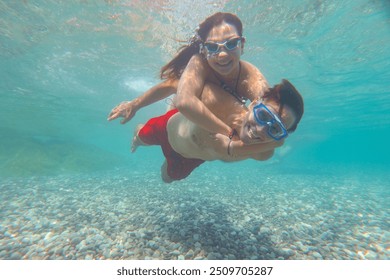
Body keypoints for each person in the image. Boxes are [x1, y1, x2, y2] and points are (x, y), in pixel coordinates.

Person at [108, 12, 269, 137]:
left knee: (171, 176)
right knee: (149, 139)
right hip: (179, 119)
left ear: (242, 45)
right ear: (204, 50)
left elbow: (269, 106)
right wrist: (133, 105)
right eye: (212, 47)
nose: (222, 55)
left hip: (206, 133)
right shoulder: (201, 68)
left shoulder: (251, 77)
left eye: (232, 44)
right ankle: (139, 133)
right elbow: (170, 85)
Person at [131, 79, 304, 183]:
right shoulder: (222, 105)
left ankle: (166, 160)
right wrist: (136, 104)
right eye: (263, 115)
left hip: (190, 158)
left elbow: (275, 145)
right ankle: (140, 133)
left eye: (275, 128)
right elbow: (175, 83)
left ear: (281, 136)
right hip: (166, 128)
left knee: (167, 179)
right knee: (141, 138)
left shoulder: (262, 153)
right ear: (253, 105)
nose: (260, 129)